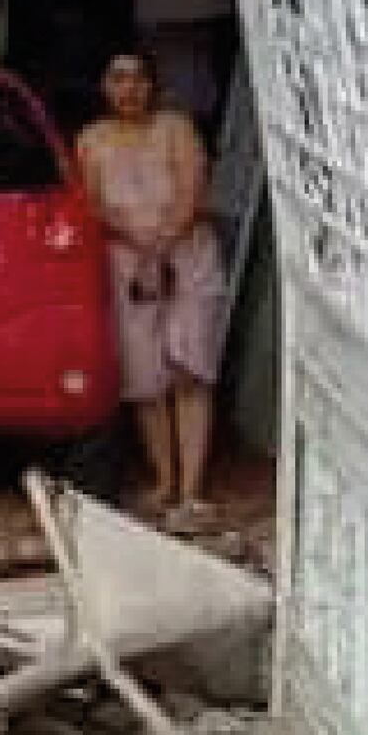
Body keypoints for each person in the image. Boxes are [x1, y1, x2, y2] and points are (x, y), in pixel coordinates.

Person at [80, 49, 231, 519]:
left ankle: (191, 490)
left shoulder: (175, 128)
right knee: (146, 379)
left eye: (139, 78)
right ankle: (165, 482)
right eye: (119, 78)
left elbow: (191, 191)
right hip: (128, 265)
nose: (130, 88)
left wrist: (161, 246)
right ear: (105, 86)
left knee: (189, 369)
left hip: (187, 257)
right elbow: (90, 204)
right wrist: (139, 246)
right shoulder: (91, 140)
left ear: (153, 85)